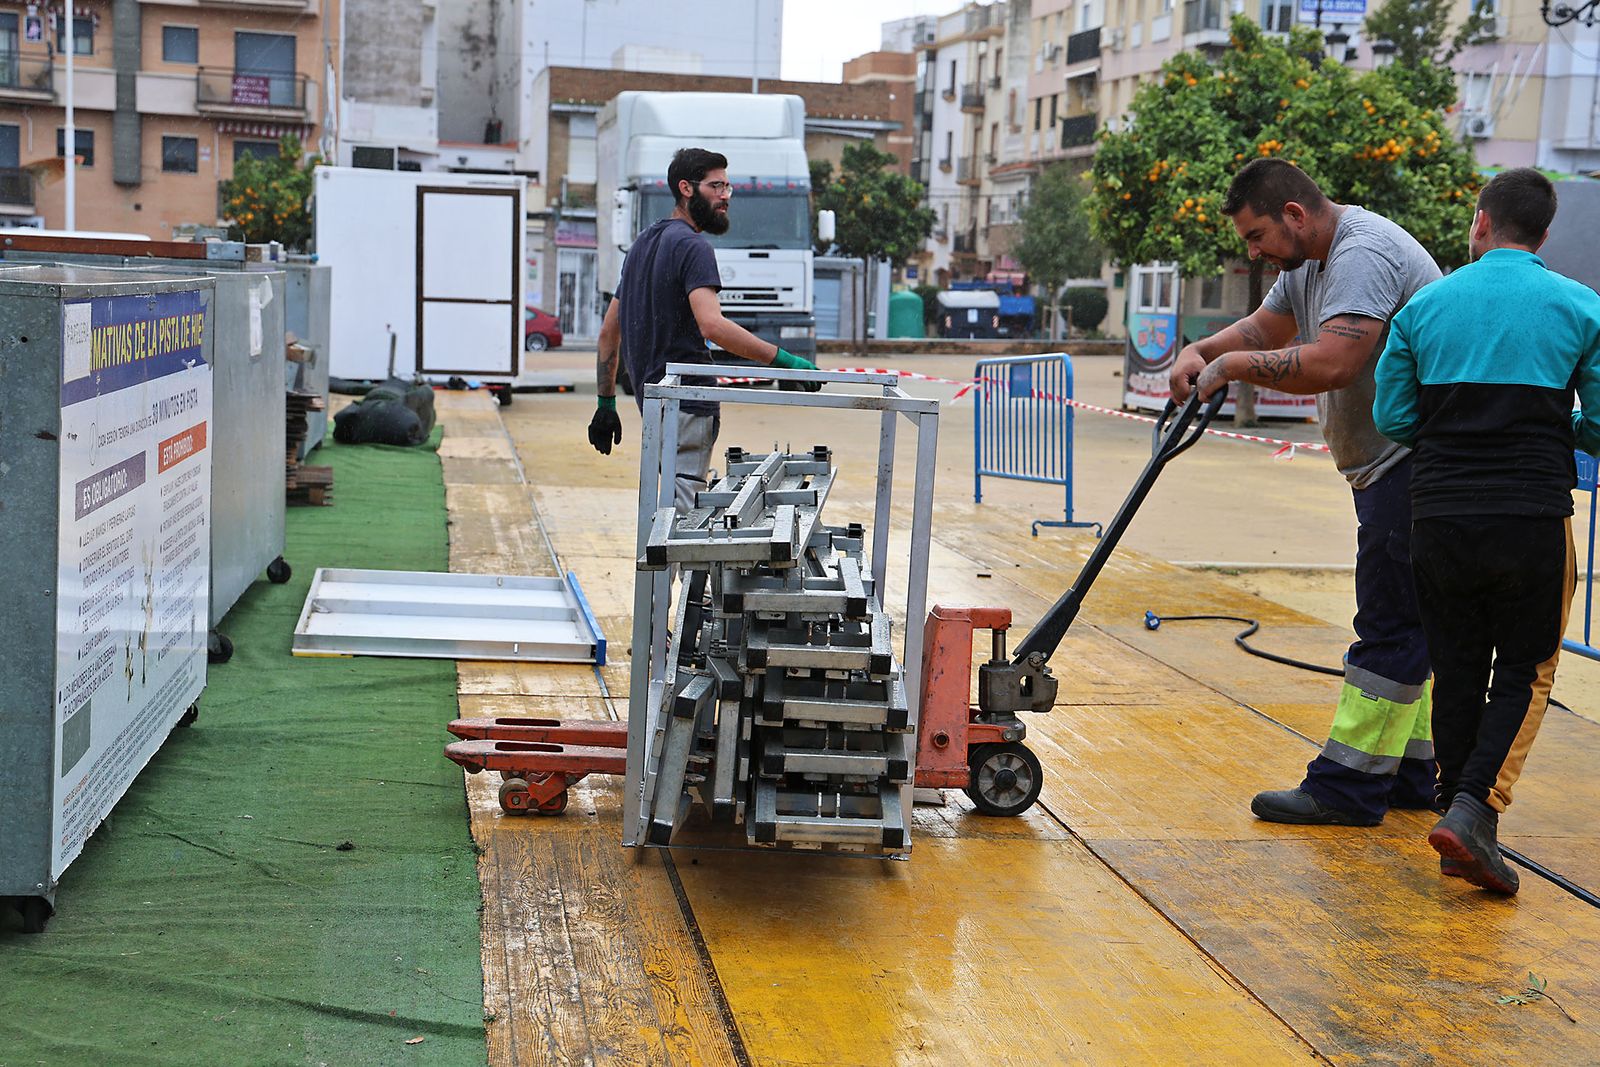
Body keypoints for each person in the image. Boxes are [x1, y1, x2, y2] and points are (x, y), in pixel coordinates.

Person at [1171, 158, 1442, 827]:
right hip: (1388, 466)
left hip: (1419, 463)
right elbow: (1264, 330)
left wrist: (1233, 367)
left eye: (1256, 235)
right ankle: (1410, 773)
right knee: (1411, 623)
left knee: (1388, 624)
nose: (1253, 252)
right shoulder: (1306, 262)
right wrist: (1201, 351)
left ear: (1294, 214)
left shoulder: (1362, 254)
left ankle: (1346, 789)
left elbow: (1334, 361)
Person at [1373, 168, 1600, 894]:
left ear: (1480, 222)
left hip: (1438, 516)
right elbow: (1599, 424)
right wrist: (1558, 425)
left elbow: (1393, 418)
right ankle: (1475, 808)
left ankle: (1459, 821)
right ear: (1543, 233)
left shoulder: (1425, 306)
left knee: (1457, 664)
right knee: (1526, 668)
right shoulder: (1582, 307)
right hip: (1531, 517)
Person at [587, 147, 819, 511]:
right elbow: (712, 325)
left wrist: (605, 403)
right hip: (688, 402)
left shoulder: (641, 245)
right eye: (716, 186)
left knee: (667, 504)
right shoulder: (693, 246)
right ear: (686, 188)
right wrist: (786, 361)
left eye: (727, 186)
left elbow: (607, 334)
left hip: (654, 403)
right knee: (682, 514)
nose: (725, 196)